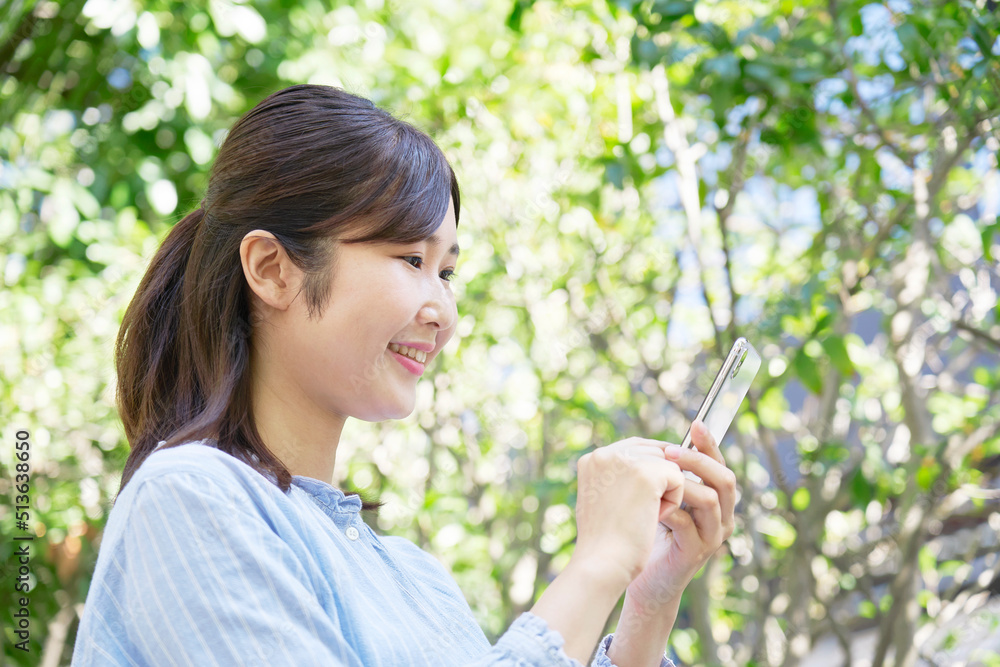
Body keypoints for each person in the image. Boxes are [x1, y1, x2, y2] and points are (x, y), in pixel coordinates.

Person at [71, 84, 737, 666]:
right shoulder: (190, 499)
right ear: (273, 269)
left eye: (447, 271)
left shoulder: (413, 578)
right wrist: (593, 567)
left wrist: (647, 596)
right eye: (410, 258)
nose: (441, 310)